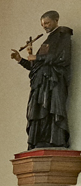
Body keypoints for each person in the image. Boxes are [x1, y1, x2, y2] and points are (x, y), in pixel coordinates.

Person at [12, 10, 72, 150]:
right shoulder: (48, 39)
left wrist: (37, 58)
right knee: (37, 111)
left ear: (56, 20)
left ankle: (55, 140)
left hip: (53, 81)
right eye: (42, 24)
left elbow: (62, 58)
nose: (44, 26)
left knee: (51, 110)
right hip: (40, 83)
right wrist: (20, 60)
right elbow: (36, 67)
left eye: (47, 23)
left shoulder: (63, 34)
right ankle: (40, 140)